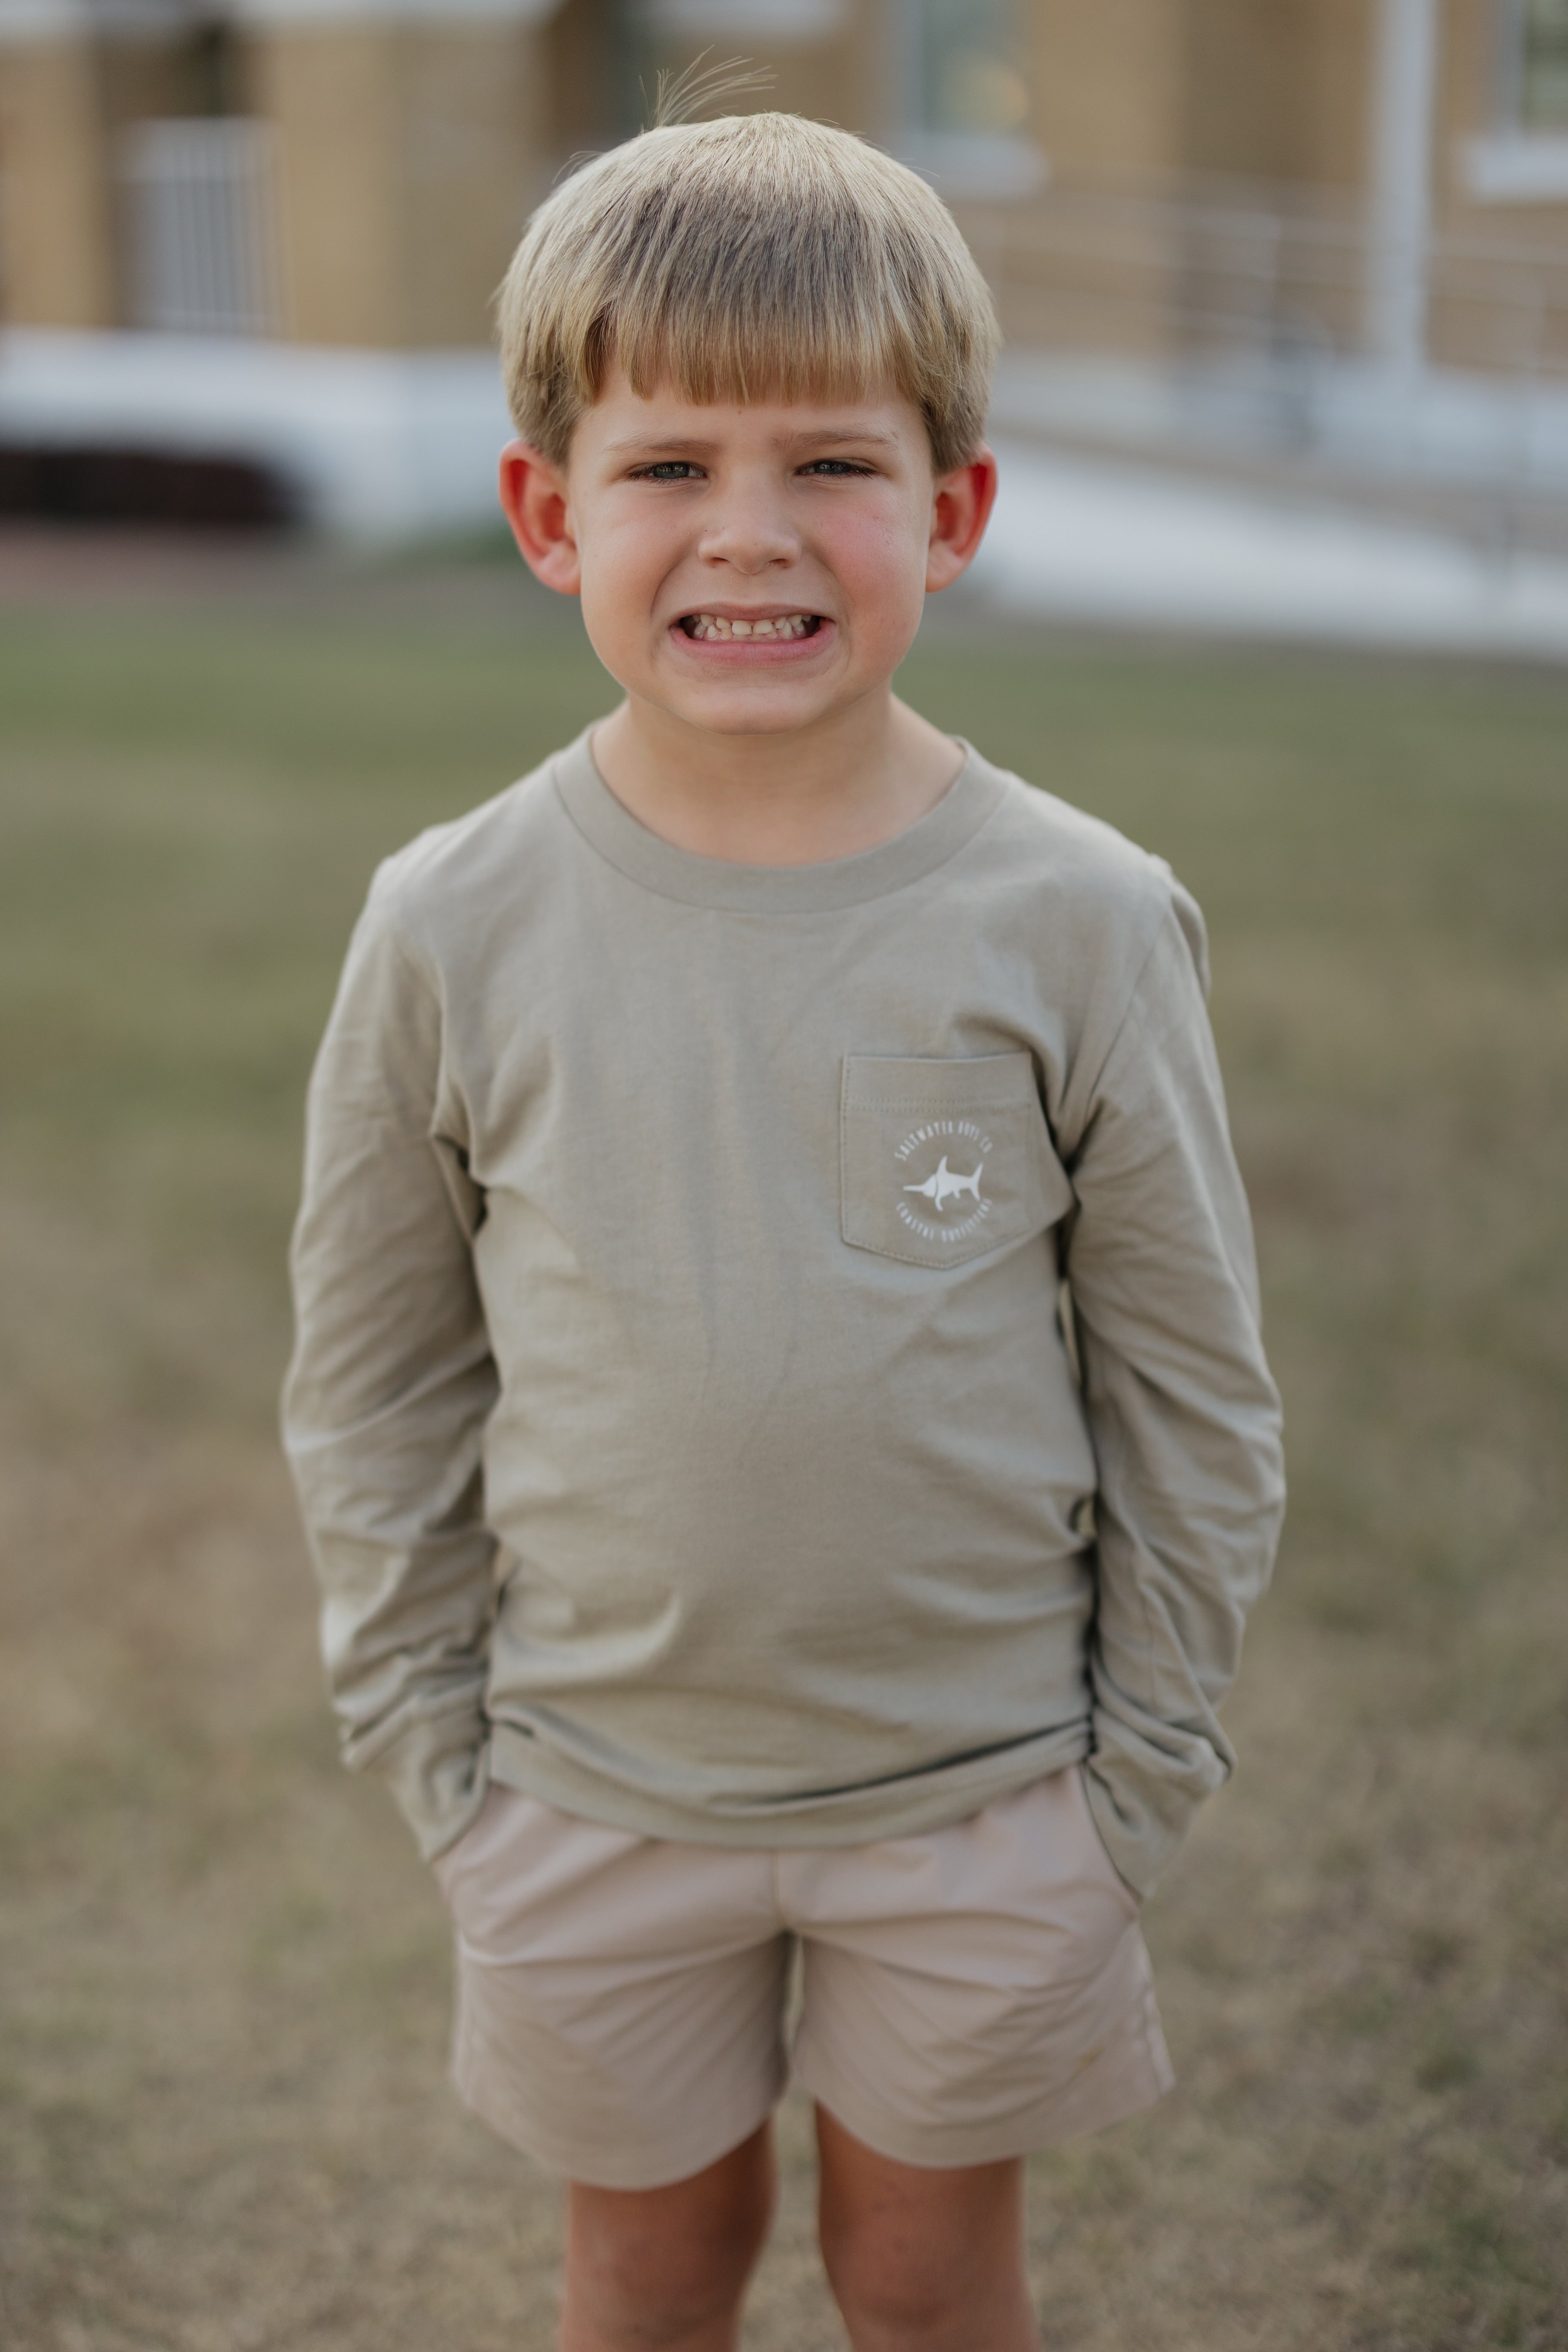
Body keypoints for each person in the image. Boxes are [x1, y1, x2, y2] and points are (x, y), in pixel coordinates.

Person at [283, 106, 1285, 2352]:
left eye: (833, 463)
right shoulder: (448, 922)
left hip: (986, 1798)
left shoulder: (1085, 922)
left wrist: (1134, 1787)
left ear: (957, 510)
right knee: (648, 2275)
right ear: (550, 515)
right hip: (582, 1789)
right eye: (670, 468)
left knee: (929, 2281)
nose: (753, 534)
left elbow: (1190, 1383)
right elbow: (374, 1378)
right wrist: (439, 1758)